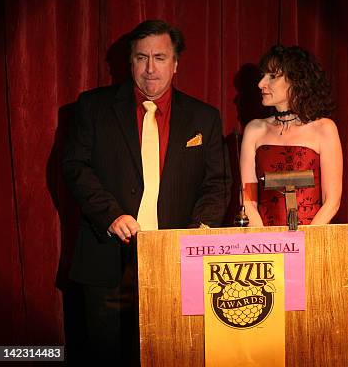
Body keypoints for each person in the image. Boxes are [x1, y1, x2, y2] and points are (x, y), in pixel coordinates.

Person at [62, 19, 229, 364]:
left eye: (160, 57)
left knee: (172, 353)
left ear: (176, 64)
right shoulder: (93, 107)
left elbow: (217, 183)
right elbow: (76, 169)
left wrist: (201, 228)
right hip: (107, 257)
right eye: (141, 58)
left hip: (177, 260)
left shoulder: (204, 118)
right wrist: (110, 215)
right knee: (106, 353)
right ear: (130, 62)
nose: (150, 68)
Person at [240, 45, 343, 226]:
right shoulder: (254, 130)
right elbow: (248, 197)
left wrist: (303, 244)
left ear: (295, 80)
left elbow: (332, 201)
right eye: (262, 76)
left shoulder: (324, 129)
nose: (261, 84)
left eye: (272, 77)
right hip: (265, 246)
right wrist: (264, 242)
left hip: (311, 243)